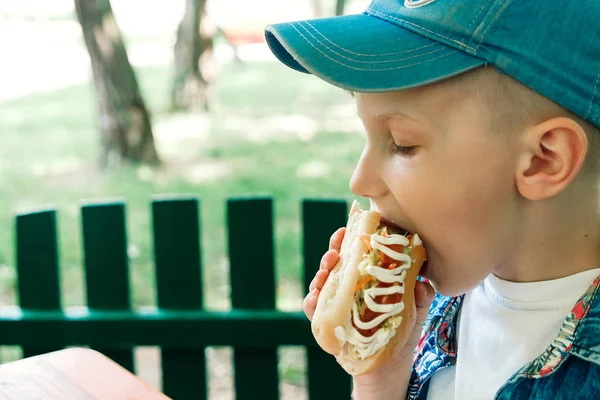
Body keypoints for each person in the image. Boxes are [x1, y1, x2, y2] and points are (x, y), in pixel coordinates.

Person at [264, 1, 600, 399]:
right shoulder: (440, 307)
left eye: (402, 145)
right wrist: (380, 379)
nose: (360, 180)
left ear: (543, 160)